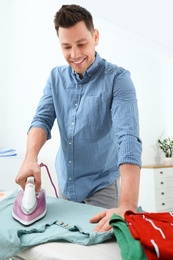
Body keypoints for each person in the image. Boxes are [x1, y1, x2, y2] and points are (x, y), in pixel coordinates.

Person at [15, 4, 142, 232]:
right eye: (66, 47)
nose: (74, 55)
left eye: (81, 44)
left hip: (102, 188)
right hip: (66, 186)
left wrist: (127, 205)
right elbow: (42, 119)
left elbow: (128, 138)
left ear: (95, 37)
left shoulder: (118, 79)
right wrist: (30, 158)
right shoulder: (55, 78)